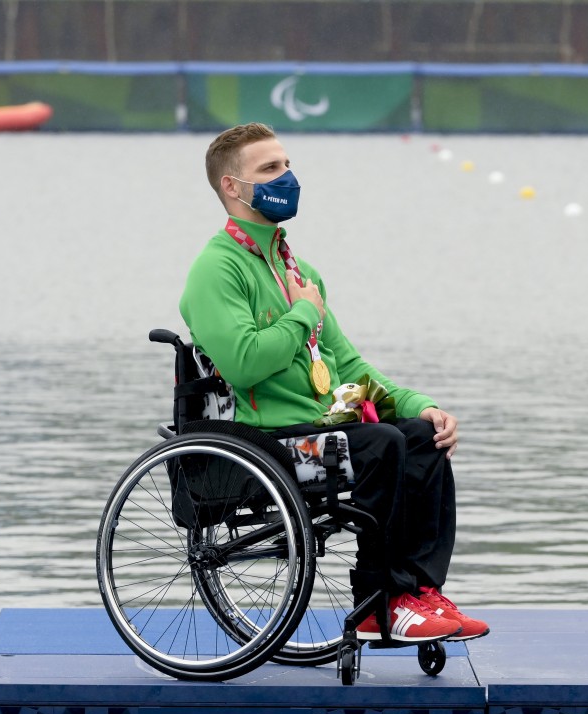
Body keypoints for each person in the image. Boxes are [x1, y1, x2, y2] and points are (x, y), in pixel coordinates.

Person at [179, 122, 489, 645]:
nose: (287, 177)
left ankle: (418, 592)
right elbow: (245, 364)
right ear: (232, 186)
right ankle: (378, 604)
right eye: (270, 169)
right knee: (380, 442)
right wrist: (303, 313)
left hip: (319, 426)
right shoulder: (216, 269)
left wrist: (420, 404)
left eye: (287, 164)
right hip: (263, 441)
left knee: (422, 436)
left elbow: (347, 366)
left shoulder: (300, 271)